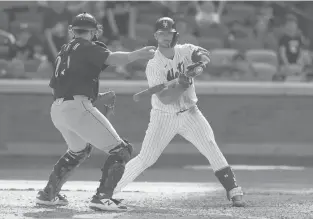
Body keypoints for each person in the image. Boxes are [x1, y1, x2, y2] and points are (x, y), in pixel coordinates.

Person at [106, 17, 245, 207]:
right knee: (147, 158)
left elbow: (203, 54)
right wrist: (184, 83)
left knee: (211, 147)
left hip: (191, 112)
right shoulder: (154, 64)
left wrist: (199, 65)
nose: (165, 37)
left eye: (169, 33)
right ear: (156, 36)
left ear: (174, 34)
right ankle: (108, 191)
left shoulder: (184, 50)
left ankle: (234, 190)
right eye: (161, 34)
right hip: (165, 116)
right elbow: (165, 98)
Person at [35, 12, 155, 211]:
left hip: (58, 109)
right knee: (121, 150)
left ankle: (48, 194)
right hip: (77, 107)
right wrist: (137, 54)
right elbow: (114, 58)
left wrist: (94, 96)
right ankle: (102, 198)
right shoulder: (85, 46)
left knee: (78, 150)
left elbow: (65, 86)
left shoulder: (65, 49)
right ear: (92, 31)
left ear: (73, 30)